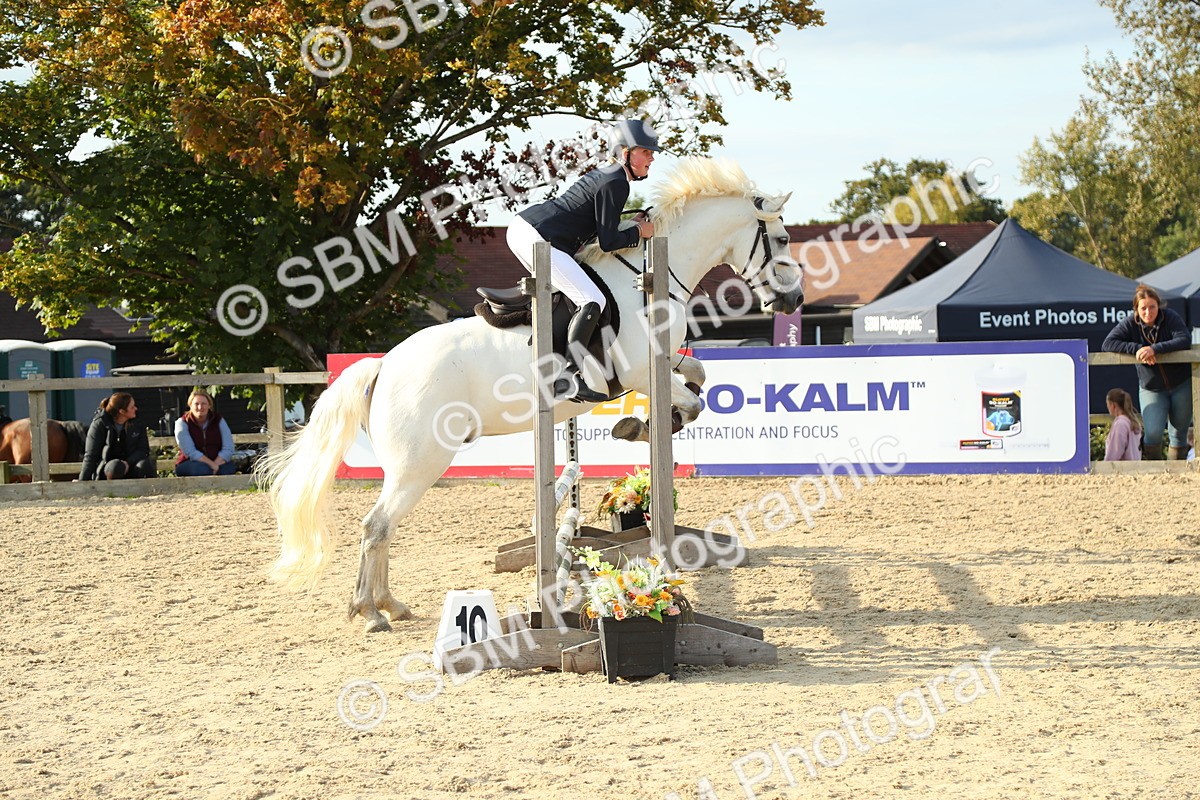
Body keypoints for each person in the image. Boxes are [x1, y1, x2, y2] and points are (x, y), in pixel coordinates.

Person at [506, 119, 661, 402]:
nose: (652, 158)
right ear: (625, 151)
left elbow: (602, 230)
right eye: (646, 151)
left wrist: (630, 224)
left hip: (527, 229)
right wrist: (640, 232)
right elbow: (608, 242)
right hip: (540, 238)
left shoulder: (610, 175)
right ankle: (567, 376)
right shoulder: (616, 182)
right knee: (592, 299)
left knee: (573, 292)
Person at [1102, 284, 1193, 460]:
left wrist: (1155, 349)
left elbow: (1184, 338)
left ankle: (1176, 473)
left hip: (1181, 383)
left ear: (1159, 305)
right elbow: (1108, 343)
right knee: (1152, 433)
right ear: (1136, 309)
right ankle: (1154, 472)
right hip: (1152, 388)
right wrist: (1138, 349)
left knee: (1179, 432)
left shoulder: (1170, 317)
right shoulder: (1130, 323)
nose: (1148, 312)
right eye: (1143, 308)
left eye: (1152, 307)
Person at [78, 392, 155, 480]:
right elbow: (91, 455)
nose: (136, 409)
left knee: (145, 466)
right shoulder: (100, 424)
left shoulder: (137, 422)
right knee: (116, 466)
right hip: (108, 467)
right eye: (132, 407)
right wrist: (82, 481)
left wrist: (127, 463)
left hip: (131, 464)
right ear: (122, 411)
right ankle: (112, 488)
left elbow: (143, 449)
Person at [174, 389, 237, 476]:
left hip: (218, 461)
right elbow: (190, 452)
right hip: (190, 462)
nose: (200, 407)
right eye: (196, 404)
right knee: (203, 470)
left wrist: (216, 464)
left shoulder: (219, 420)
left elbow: (228, 448)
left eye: (203, 404)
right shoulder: (182, 423)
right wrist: (212, 465)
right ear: (190, 405)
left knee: (227, 470)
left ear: (209, 405)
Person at [1104, 388, 1143, 461]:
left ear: (1113, 405)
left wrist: (1106, 465)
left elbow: (1115, 452)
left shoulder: (1120, 424)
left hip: (1122, 467)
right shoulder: (1134, 422)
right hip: (1136, 466)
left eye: (1107, 404)